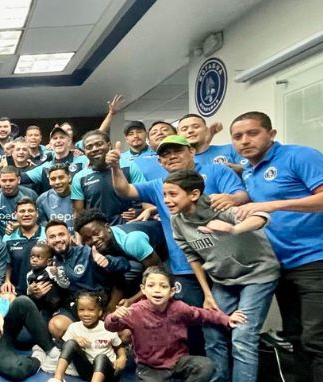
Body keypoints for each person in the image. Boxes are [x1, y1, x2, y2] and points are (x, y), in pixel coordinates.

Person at [228, 111, 323, 382]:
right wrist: (239, 197)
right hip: (283, 264)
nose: (245, 141)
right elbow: (252, 192)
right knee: (298, 337)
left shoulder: (300, 156)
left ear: (271, 133)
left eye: (252, 133)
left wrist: (274, 205)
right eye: (238, 136)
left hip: (320, 258)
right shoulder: (250, 169)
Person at [106, 134, 249, 354]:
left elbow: (241, 196)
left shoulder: (216, 171)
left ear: (191, 152)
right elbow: (125, 191)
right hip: (185, 266)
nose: (171, 157)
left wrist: (231, 200)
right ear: (160, 162)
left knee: (227, 325)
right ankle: (201, 376)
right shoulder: (158, 185)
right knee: (191, 326)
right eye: (165, 155)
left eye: (177, 151)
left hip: (224, 265)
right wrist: (116, 168)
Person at [166, 169, 280, 382]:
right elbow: (193, 256)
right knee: (212, 329)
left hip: (257, 274)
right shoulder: (177, 219)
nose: (168, 200)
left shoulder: (217, 204)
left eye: (173, 194)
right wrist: (206, 293)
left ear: (194, 194)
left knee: (242, 335)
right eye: (165, 195)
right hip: (222, 280)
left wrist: (234, 228)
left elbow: (262, 217)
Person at [105, 267, 246, 382]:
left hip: (178, 361)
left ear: (172, 291)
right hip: (151, 367)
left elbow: (201, 314)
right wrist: (114, 317)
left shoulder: (179, 308)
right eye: (151, 286)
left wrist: (226, 319)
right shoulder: (135, 311)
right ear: (143, 289)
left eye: (163, 286)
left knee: (206, 365)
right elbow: (110, 327)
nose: (157, 290)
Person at [39, 291, 127, 382]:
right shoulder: (74, 327)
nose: (86, 314)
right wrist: (75, 339)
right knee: (70, 342)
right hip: (87, 371)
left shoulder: (107, 328)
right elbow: (66, 347)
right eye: (81, 310)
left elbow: (119, 347)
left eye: (91, 310)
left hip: (107, 374)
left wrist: (122, 358)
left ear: (100, 312)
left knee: (100, 357)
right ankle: (57, 380)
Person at [41, 220, 129, 338]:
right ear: (47, 242)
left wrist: (108, 262)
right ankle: (81, 347)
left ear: (70, 237)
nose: (57, 239)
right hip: (74, 308)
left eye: (61, 234)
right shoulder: (49, 262)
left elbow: (124, 264)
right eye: (52, 237)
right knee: (56, 326)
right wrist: (32, 290)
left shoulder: (87, 252)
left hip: (100, 306)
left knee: (125, 334)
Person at [72, 130, 147, 224]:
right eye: (89, 147)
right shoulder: (79, 177)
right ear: (85, 152)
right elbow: (80, 214)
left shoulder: (129, 166)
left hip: (128, 228)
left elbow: (145, 198)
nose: (94, 149)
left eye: (99, 144)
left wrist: (137, 212)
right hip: (98, 234)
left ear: (109, 145)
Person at [1, 198, 46, 297]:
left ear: (37, 213)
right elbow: (7, 264)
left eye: (30, 211)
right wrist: (7, 281)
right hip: (17, 291)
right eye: (22, 211)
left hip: (43, 289)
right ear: (15, 215)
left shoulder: (47, 234)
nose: (26, 214)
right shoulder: (8, 237)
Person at [0, 166, 37, 237]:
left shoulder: (30, 195)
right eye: (4, 181)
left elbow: (38, 219)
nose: (7, 184)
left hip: (25, 237)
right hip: (0, 239)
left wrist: (19, 224)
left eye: (11, 180)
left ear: (18, 180)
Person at [178, 114, 243, 172]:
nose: (190, 131)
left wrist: (239, 169)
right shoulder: (176, 162)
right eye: (184, 129)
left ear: (206, 130)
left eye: (196, 127)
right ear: (178, 134)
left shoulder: (231, 148)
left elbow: (251, 169)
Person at [25, 243, 71, 323]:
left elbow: (66, 285)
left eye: (39, 257)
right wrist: (29, 290)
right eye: (32, 257)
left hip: (57, 305)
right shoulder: (29, 275)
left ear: (49, 261)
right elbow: (29, 292)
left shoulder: (51, 270)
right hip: (40, 307)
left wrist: (57, 274)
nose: (34, 259)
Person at [36, 164, 75, 229]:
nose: (57, 182)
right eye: (53, 179)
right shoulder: (42, 199)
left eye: (61, 177)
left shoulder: (80, 194)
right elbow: (42, 223)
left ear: (69, 178)